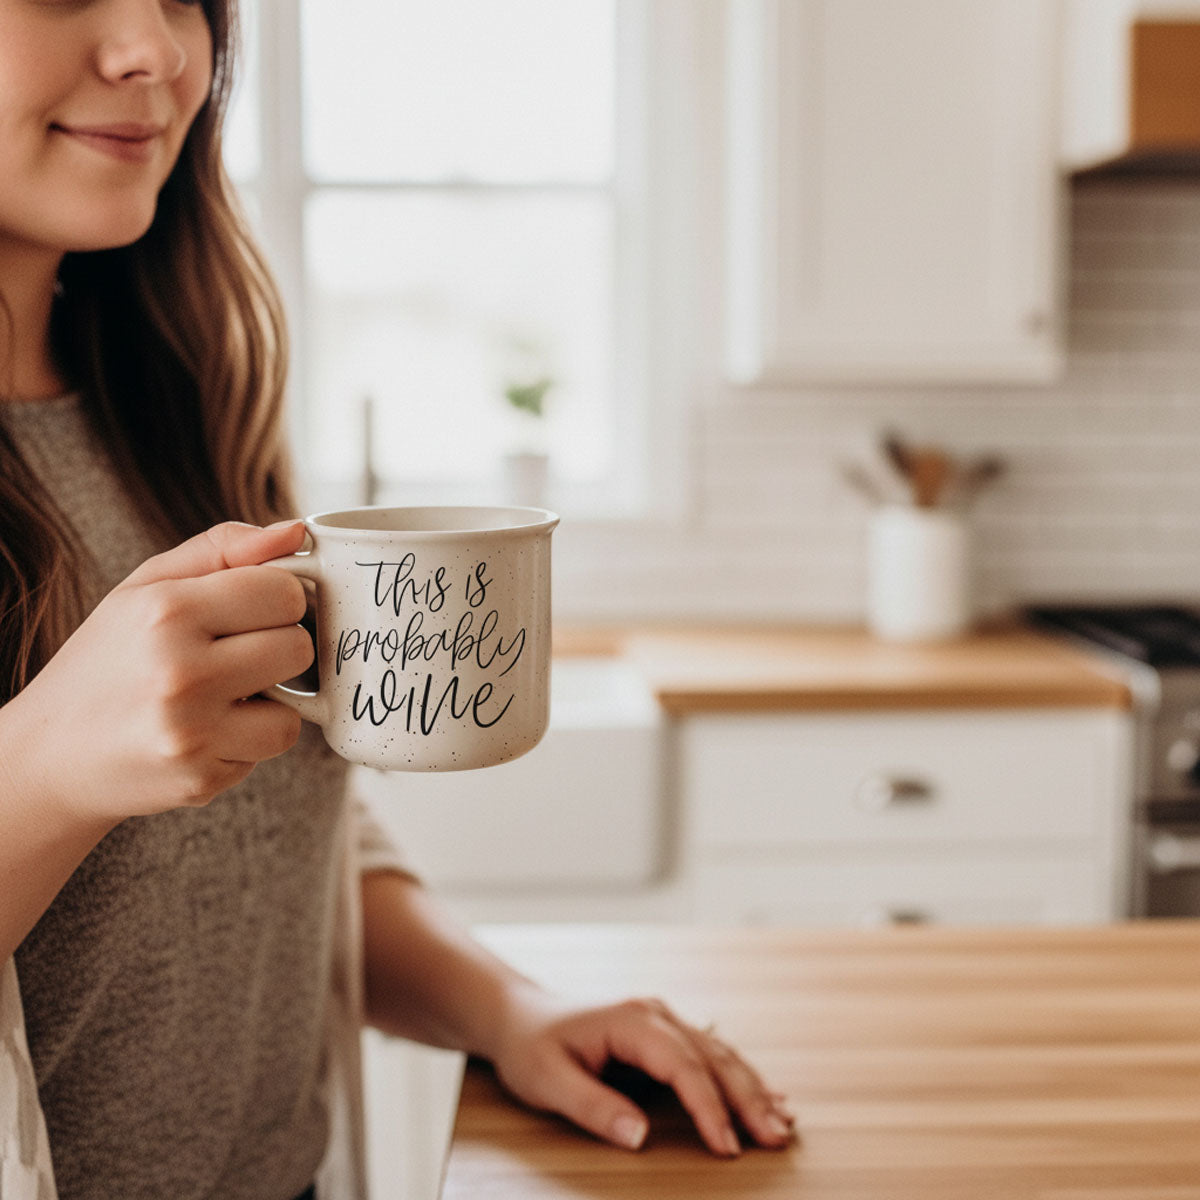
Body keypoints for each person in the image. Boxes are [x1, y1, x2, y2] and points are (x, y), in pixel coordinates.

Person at [0, 1, 795, 1197]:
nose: (156, 49)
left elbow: (282, 848)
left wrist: (509, 1011)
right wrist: (46, 768)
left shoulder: (180, 405)